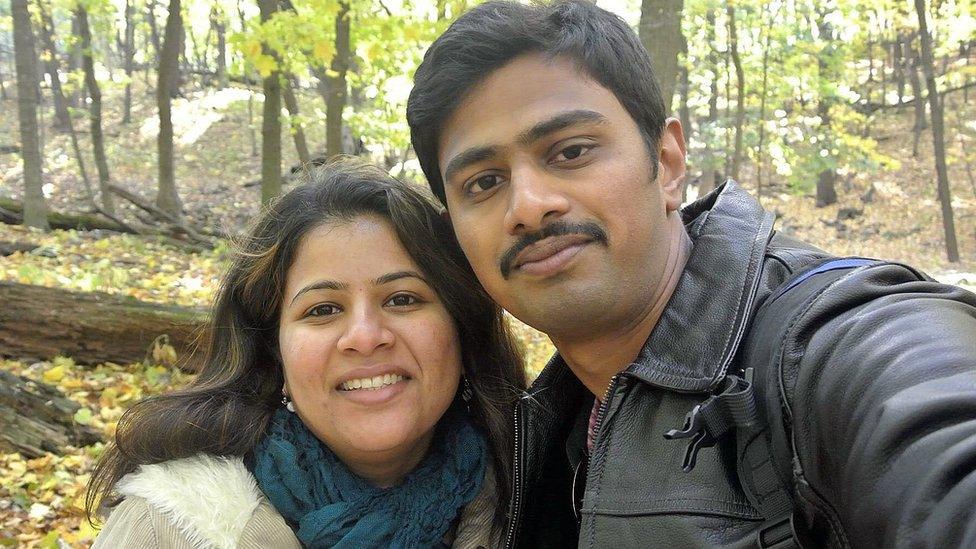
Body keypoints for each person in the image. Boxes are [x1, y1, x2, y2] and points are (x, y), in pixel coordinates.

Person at [406, 1, 976, 547]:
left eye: (571, 151)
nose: (528, 206)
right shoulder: (532, 435)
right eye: (483, 182)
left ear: (669, 163)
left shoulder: (834, 348)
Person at [86, 159, 525, 548]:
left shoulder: (542, 497)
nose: (366, 337)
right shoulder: (168, 527)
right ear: (273, 351)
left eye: (402, 299)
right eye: (323, 309)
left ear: (461, 326)